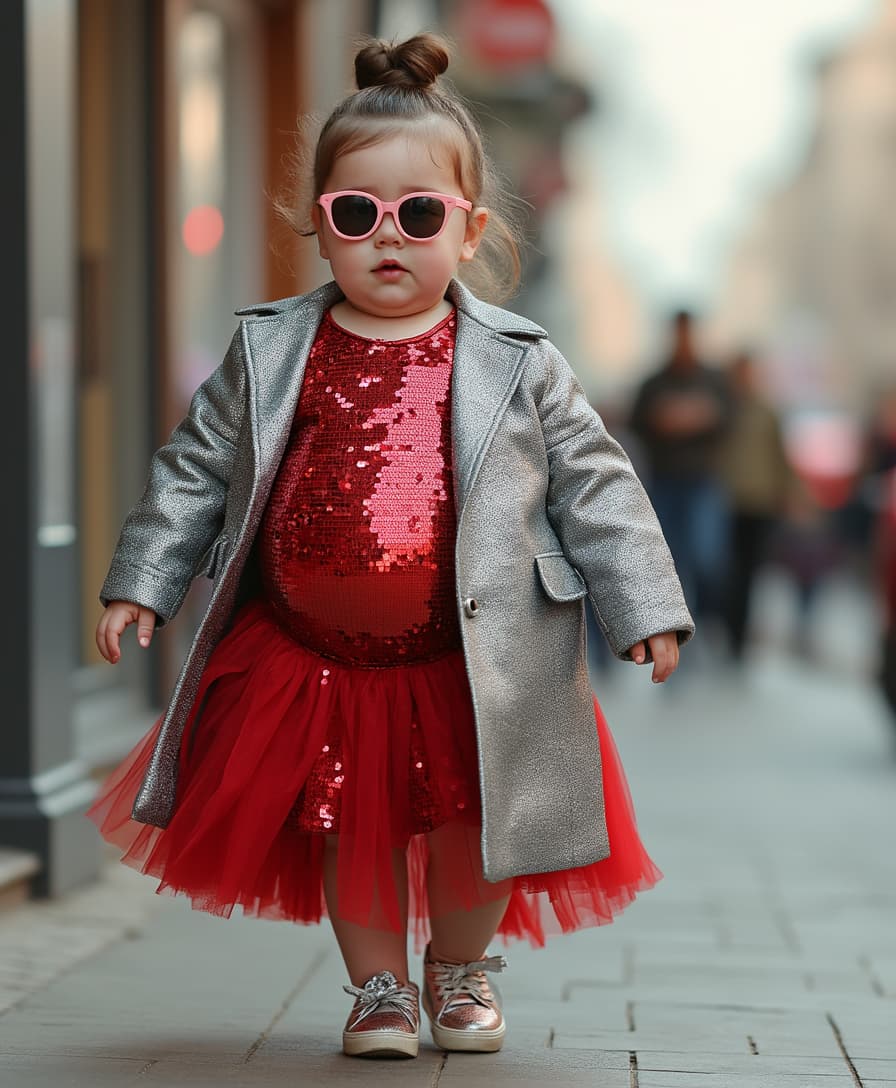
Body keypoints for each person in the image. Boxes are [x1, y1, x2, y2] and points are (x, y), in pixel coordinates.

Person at [88, 34, 693, 1062]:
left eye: (418, 215)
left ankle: (458, 967)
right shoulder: (272, 347)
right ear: (318, 226)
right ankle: (378, 985)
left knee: (475, 819)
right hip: (314, 657)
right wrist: (143, 581)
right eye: (355, 214)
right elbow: (193, 467)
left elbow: (596, 482)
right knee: (349, 822)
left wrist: (642, 603)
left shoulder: (515, 358)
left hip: (475, 655)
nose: (387, 239)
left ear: (469, 229)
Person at [629, 310, 732, 629]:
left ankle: (708, 619)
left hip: (703, 482)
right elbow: (637, 422)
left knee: (706, 557)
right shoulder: (655, 382)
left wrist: (696, 417)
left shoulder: (713, 380)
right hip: (664, 481)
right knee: (669, 558)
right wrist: (667, 419)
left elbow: (730, 421)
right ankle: (678, 622)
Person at [717, 350, 792, 661]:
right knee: (723, 569)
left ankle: (739, 637)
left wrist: (787, 493)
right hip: (727, 502)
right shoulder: (724, 409)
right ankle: (723, 625)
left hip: (760, 502)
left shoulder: (766, 411)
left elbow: (780, 455)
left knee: (749, 573)